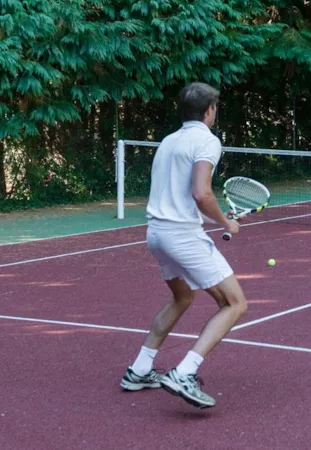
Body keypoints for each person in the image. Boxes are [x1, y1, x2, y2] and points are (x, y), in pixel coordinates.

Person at [120, 82, 246, 409]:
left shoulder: (169, 141)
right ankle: (184, 372)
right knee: (235, 304)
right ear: (208, 111)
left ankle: (139, 369)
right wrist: (225, 222)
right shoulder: (207, 140)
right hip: (181, 236)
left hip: (156, 233)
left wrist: (213, 216)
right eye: (215, 107)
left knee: (182, 296)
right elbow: (201, 193)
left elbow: (182, 192)